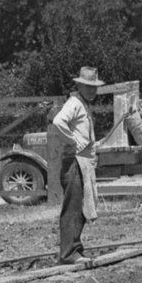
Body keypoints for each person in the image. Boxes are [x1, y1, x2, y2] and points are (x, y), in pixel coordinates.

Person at [51, 67, 102, 263]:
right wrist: (73, 141)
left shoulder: (84, 105)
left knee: (80, 207)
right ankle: (68, 253)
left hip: (82, 163)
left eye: (94, 87)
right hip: (74, 163)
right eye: (88, 87)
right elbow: (58, 121)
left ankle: (75, 248)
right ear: (79, 85)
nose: (92, 91)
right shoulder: (74, 103)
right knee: (73, 207)